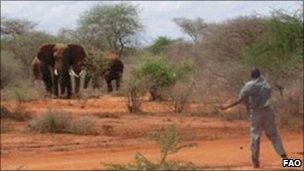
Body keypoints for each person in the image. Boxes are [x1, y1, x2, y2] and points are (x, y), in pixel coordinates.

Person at [220, 68, 288, 168]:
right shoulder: (266, 84)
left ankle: (256, 163)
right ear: (259, 75)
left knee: (255, 137)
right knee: (274, 136)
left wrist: (226, 106)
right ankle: (287, 160)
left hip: (256, 113)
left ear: (251, 76)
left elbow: (240, 99)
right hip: (268, 112)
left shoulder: (250, 85)